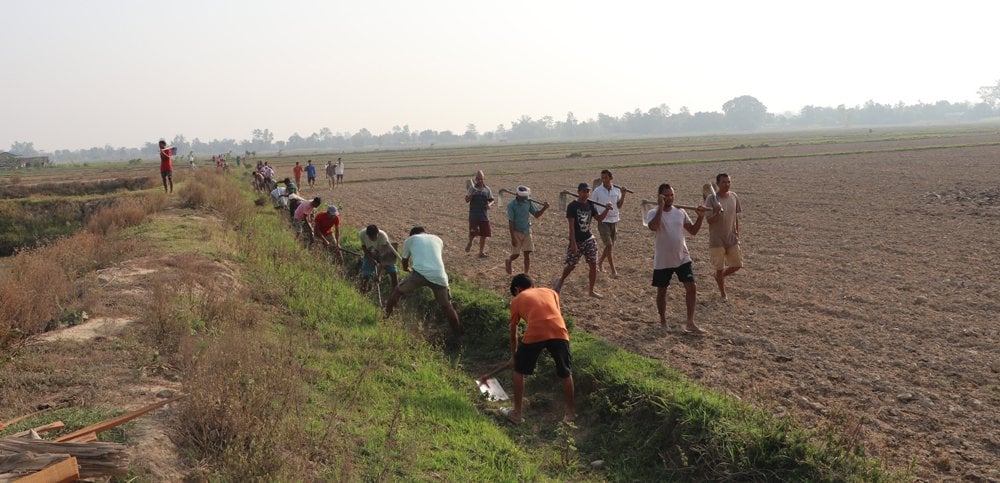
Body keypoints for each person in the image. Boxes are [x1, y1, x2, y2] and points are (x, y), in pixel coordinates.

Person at [499, 273, 575, 424]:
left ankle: (516, 414)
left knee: (519, 371)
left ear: (517, 289)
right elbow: (552, 315)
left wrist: (514, 357)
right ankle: (571, 414)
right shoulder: (551, 292)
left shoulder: (517, 300)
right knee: (566, 372)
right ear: (532, 285)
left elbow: (513, 332)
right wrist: (548, 343)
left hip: (536, 331)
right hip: (559, 331)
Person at [645, 183, 706, 333]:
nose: (670, 198)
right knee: (662, 291)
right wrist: (660, 207)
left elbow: (693, 231)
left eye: (672, 195)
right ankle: (663, 322)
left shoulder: (680, 212)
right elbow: (654, 226)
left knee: (692, 287)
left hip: (682, 257)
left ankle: (690, 322)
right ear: (660, 196)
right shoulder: (652, 212)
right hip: (663, 260)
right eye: (666, 196)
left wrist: (700, 217)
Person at [385, 226, 461, 334]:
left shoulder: (410, 240)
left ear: (412, 234)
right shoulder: (438, 239)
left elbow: (405, 261)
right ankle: (457, 333)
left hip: (419, 274)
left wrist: (406, 269)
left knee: (398, 291)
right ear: (425, 232)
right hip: (440, 276)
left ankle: (385, 318)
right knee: (447, 306)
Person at [552, 182, 612, 298]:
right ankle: (560, 282)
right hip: (577, 240)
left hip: (589, 239)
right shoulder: (572, 206)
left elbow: (599, 218)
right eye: (584, 191)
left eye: (587, 191)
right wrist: (573, 243)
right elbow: (571, 227)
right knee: (571, 265)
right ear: (578, 192)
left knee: (593, 264)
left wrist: (607, 209)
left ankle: (591, 290)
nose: (586, 194)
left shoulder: (590, 205)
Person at [705, 173, 743, 300]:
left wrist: (737, 233)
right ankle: (723, 294)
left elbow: (736, 217)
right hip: (717, 240)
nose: (727, 184)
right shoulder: (711, 199)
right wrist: (717, 212)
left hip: (731, 238)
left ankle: (718, 277)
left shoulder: (734, 196)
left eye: (728, 182)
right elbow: (709, 220)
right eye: (724, 182)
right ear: (718, 184)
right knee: (719, 268)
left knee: (737, 265)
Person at [504, 185, 549, 275]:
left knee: (527, 254)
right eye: (523, 197)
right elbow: (511, 222)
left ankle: (526, 273)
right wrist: (513, 237)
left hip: (527, 231)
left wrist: (544, 208)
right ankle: (509, 260)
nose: (525, 198)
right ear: (517, 195)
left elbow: (536, 215)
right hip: (516, 232)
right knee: (516, 254)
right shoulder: (511, 205)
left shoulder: (528, 202)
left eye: (526, 196)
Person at [591, 169, 627, 278]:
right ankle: (613, 271)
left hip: (614, 220)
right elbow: (593, 206)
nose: (604, 180)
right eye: (602, 178)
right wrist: (599, 215)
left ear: (611, 178)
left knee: (609, 247)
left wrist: (623, 195)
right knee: (609, 245)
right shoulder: (597, 191)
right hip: (603, 221)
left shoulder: (617, 190)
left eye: (606, 178)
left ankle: (600, 262)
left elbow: (619, 206)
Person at [358, 225, 399, 293]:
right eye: (371, 237)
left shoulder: (383, 236)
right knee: (366, 274)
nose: (373, 239)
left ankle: (396, 293)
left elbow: (384, 258)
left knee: (393, 272)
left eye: (375, 236)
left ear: (378, 233)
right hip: (371, 252)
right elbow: (364, 247)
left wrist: (379, 275)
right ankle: (362, 292)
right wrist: (371, 259)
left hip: (385, 253)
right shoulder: (362, 234)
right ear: (367, 235)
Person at [464, 170, 495, 258]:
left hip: (484, 215)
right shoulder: (472, 188)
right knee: (473, 232)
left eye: (481, 179)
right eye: (478, 179)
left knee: (484, 234)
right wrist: (472, 194)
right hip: (474, 215)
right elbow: (466, 200)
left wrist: (489, 205)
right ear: (475, 179)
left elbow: (492, 200)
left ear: (484, 178)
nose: (480, 180)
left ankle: (481, 252)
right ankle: (470, 242)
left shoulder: (487, 189)